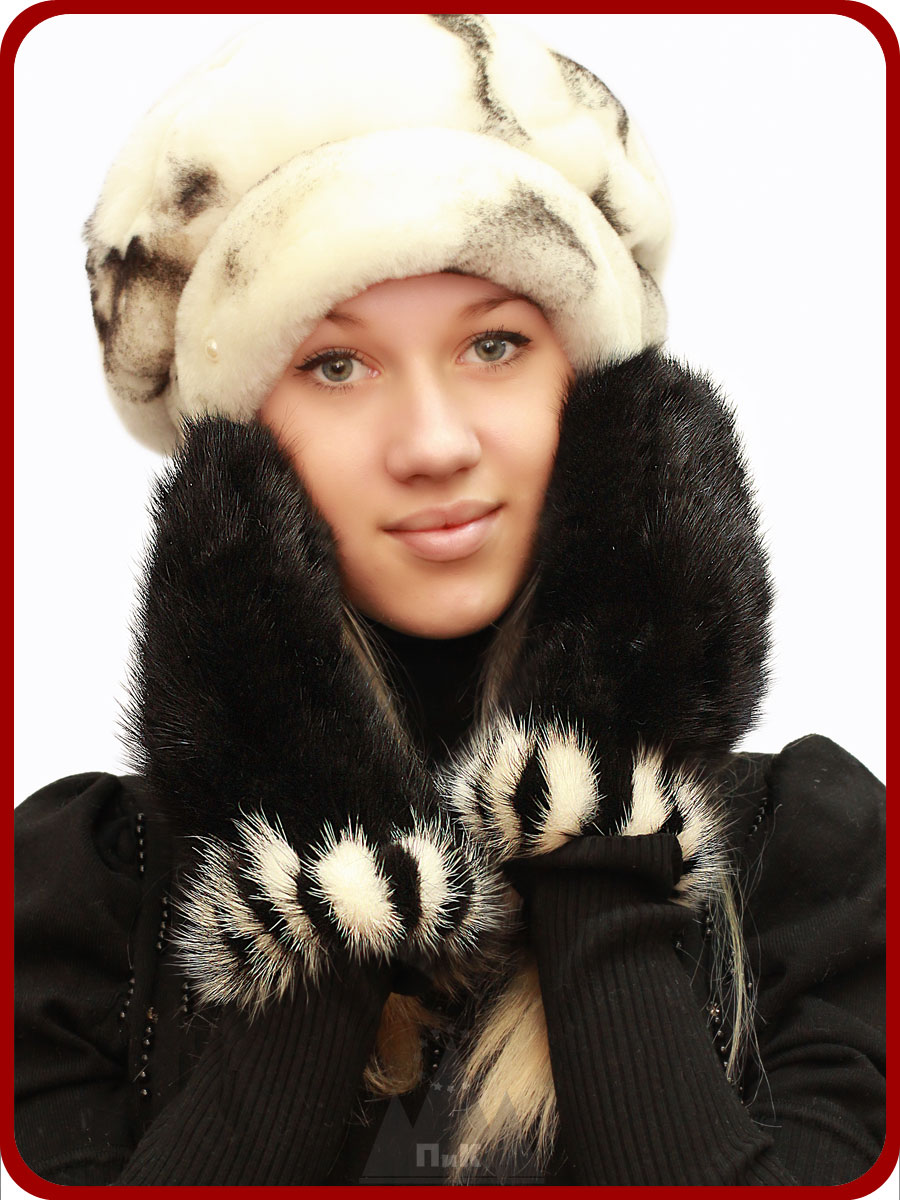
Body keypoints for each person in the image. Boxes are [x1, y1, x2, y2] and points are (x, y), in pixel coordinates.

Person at [14, 13, 885, 1187]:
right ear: (239, 464)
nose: (432, 443)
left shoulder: (812, 859)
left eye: (495, 346)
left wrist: (594, 826)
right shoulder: (83, 891)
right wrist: (319, 871)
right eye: (336, 365)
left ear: (609, 403)